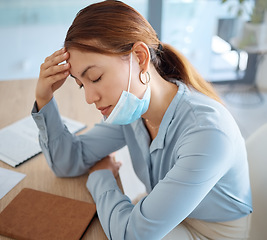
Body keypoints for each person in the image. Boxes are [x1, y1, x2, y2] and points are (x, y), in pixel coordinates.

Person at [32, 1, 252, 239]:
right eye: (81, 85)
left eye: (95, 77)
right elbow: (68, 162)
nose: (89, 97)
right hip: (164, 218)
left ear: (139, 57)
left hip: (209, 232)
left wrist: (101, 177)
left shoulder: (207, 133)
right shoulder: (132, 111)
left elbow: (131, 234)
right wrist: (44, 98)